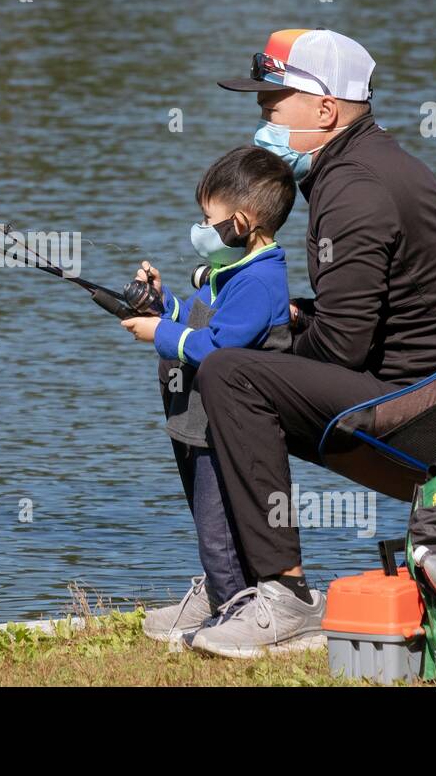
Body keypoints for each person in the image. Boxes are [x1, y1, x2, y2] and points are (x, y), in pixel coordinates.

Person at [149, 28, 436, 659]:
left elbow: (339, 349)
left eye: (272, 104)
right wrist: (287, 319)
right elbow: (361, 315)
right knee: (207, 331)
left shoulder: (354, 187)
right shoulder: (358, 167)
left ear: (326, 110)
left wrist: (255, 352)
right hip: (423, 380)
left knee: (227, 370)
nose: (262, 118)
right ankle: (232, 582)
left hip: (428, 406)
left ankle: (286, 596)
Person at [118, 146, 296, 643]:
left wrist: (157, 333)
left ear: (240, 222)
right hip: (197, 421)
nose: (199, 228)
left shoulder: (260, 281)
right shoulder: (231, 271)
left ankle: (230, 612)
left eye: (206, 218)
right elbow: (198, 319)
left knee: (218, 523)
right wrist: (162, 303)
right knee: (207, 516)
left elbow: (218, 347)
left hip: (227, 429)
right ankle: (225, 598)